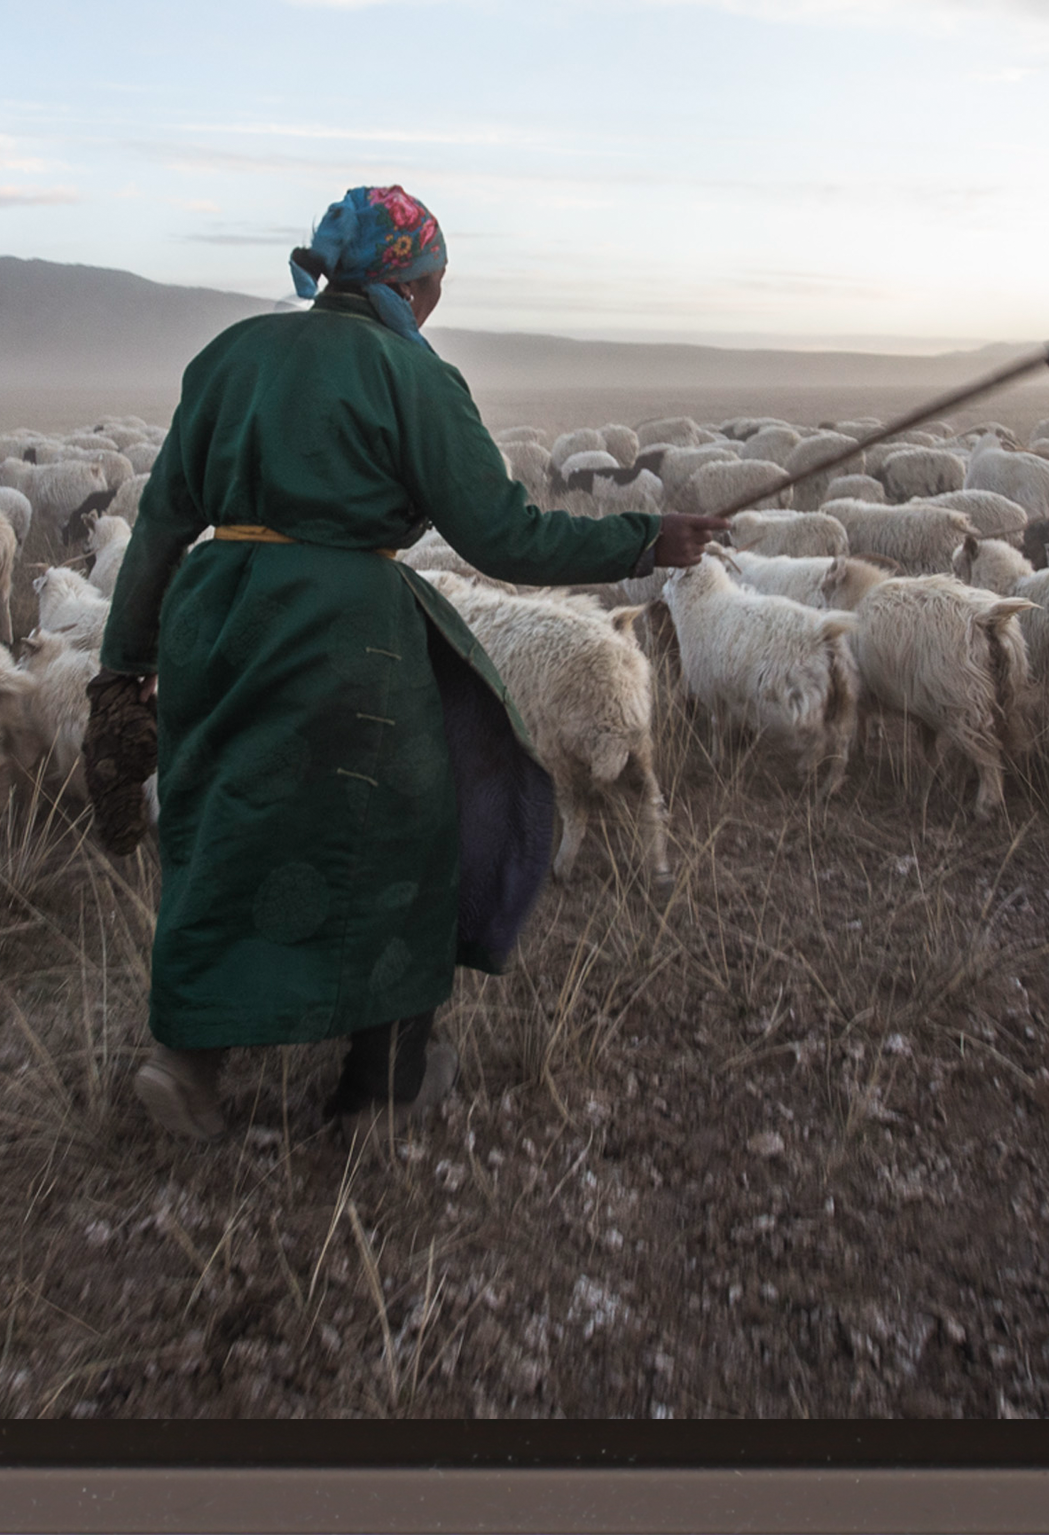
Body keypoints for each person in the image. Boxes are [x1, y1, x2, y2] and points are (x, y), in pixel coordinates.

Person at [85, 185, 729, 1143]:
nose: (437, 296)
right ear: (413, 282)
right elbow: (504, 537)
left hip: (214, 619)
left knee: (225, 824)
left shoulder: (230, 355)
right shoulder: (411, 374)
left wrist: (125, 663)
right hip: (342, 627)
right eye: (438, 278)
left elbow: (158, 527)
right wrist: (644, 539)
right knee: (403, 833)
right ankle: (382, 1082)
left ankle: (187, 1063)